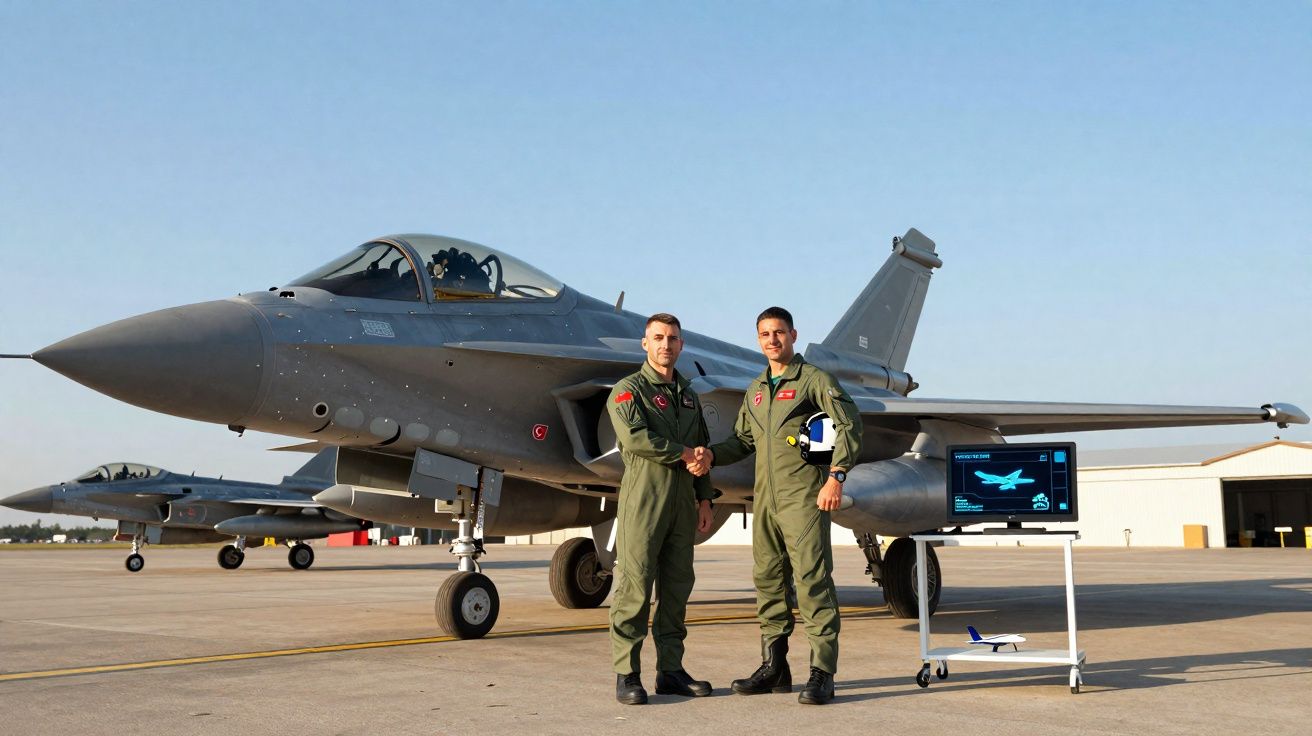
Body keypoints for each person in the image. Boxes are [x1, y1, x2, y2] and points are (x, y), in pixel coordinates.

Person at [699, 306, 862, 705]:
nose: (772, 340)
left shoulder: (813, 380)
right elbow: (743, 440)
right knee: (768, 581)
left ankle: (822, 673)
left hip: (804, 498)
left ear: (793, 335)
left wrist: (836, 477)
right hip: (766, 501)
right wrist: (710, 455)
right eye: (765, 334)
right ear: (759, 340)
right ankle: (774, 667)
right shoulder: (756, 389)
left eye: (779, 332)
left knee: (812, 583)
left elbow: (849, 424)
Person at [606, 313, 717, 705]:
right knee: (634, 588)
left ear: (681, 345)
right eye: (658, 338)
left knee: (676, 590)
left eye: (672, 338)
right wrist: (685, 454)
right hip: (644, 504)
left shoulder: (688, 395)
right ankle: (627, 674)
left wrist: (705, 498)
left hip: (682, 507)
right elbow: (636, 438)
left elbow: (702, 448)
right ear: (645, 343)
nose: (665, 345)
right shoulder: (628, 391)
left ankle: (671, 671)